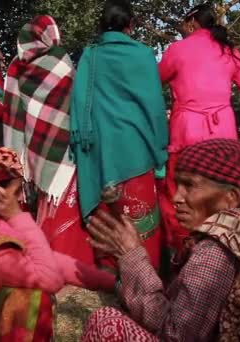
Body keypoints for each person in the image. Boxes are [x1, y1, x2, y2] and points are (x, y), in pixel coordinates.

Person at [82, 139, 240, 342]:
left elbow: (176, 334)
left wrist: (132, 256)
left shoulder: (218, 250)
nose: (177, 198)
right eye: (178, 185)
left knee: (107, 323)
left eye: (190, 186)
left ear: (231, 198)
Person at [0, 146, 115, 341]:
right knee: (32, 301)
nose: (20, 198)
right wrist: (17, 216)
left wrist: (108, 283)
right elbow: (50, 278)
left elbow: (51, 260)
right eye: (17, 190)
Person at [69, 0, 169, 271]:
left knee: (108, 210)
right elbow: (155, 108)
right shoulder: (144, 55)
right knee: (140, 216)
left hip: (101, 151)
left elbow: (78, 105)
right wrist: (160, 148)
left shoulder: (90, 55)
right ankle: (146, 274)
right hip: (138, 146)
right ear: (131, 25)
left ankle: (111, 272)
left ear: (102, 25)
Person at [157, 3, 240, 251]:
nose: (182, 28)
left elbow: (153, 83)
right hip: (225, 136)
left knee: (181, 199)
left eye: (183, 23)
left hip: (186, 135)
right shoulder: (230, 51)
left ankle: (186, 255)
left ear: (192, 22)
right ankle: (227, 251)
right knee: (224, 197)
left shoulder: (178, 50)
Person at [2, 15, 82, 261]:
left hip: (33, 138)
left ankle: (45, 244)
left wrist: (16, 152)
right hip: (62, 136)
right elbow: (74, 99)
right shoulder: (61, 59)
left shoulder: (15, 66)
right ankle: (65, 249)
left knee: (45, 196)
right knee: (61, 192)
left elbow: (13, 110)